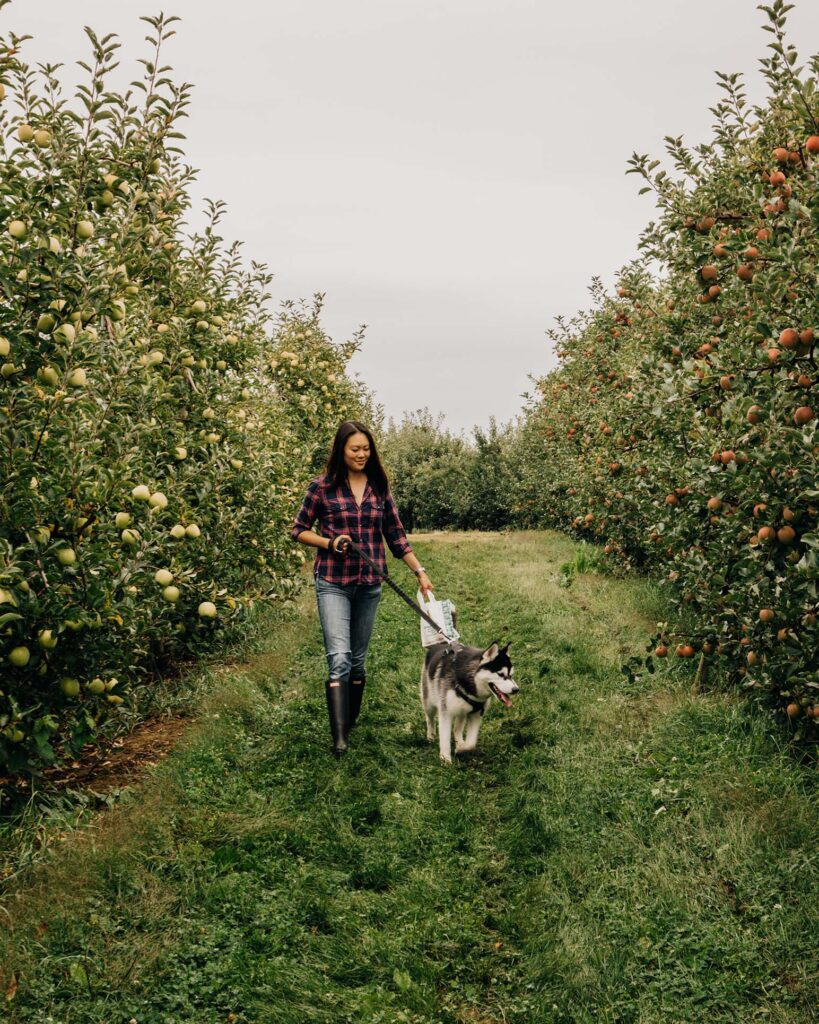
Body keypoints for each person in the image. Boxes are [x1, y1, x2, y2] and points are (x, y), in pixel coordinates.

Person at [290, 420, 434, 757]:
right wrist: (329, 542)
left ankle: (348, 720)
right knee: (338, 657)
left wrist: (420, 572)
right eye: (355, 449)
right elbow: (298, 530)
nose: (361, 454)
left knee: (357, 660)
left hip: (370, 583)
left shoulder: (379, 488)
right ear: (341, 449)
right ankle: (340, 739)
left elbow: (396, 537)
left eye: (366, 449)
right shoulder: (321, 487)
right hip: (333, 583)